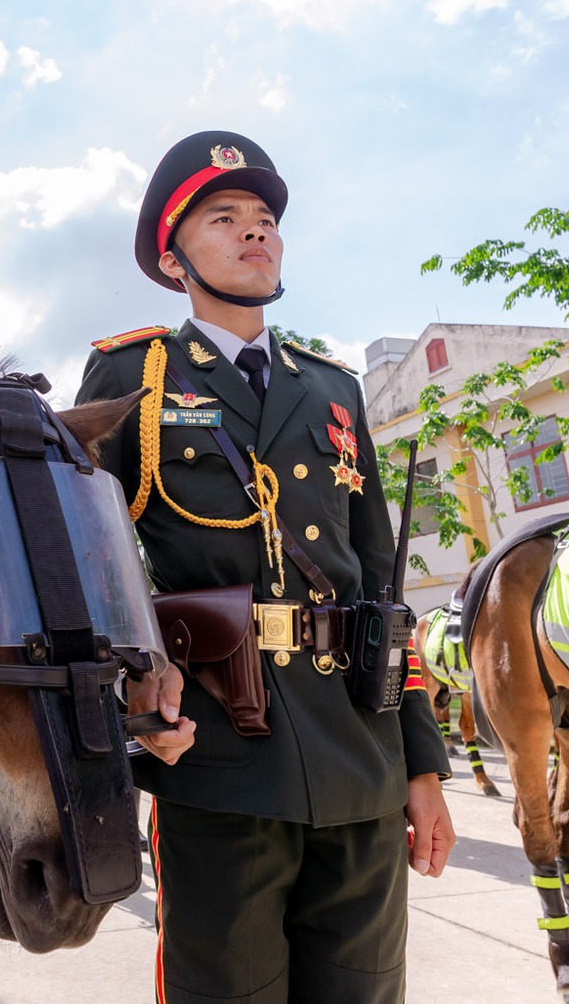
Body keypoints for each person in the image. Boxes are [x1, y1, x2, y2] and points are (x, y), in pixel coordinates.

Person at [77, 130, 455, 1004]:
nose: (256, 232)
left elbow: (378, 587)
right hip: (215, 750)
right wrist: (125, 704)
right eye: (224, 218)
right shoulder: (133, 372)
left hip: (359, 755)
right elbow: (91, 566)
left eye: (264, 218)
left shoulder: (332, 386)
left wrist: (421, 768)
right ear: (175, 260)